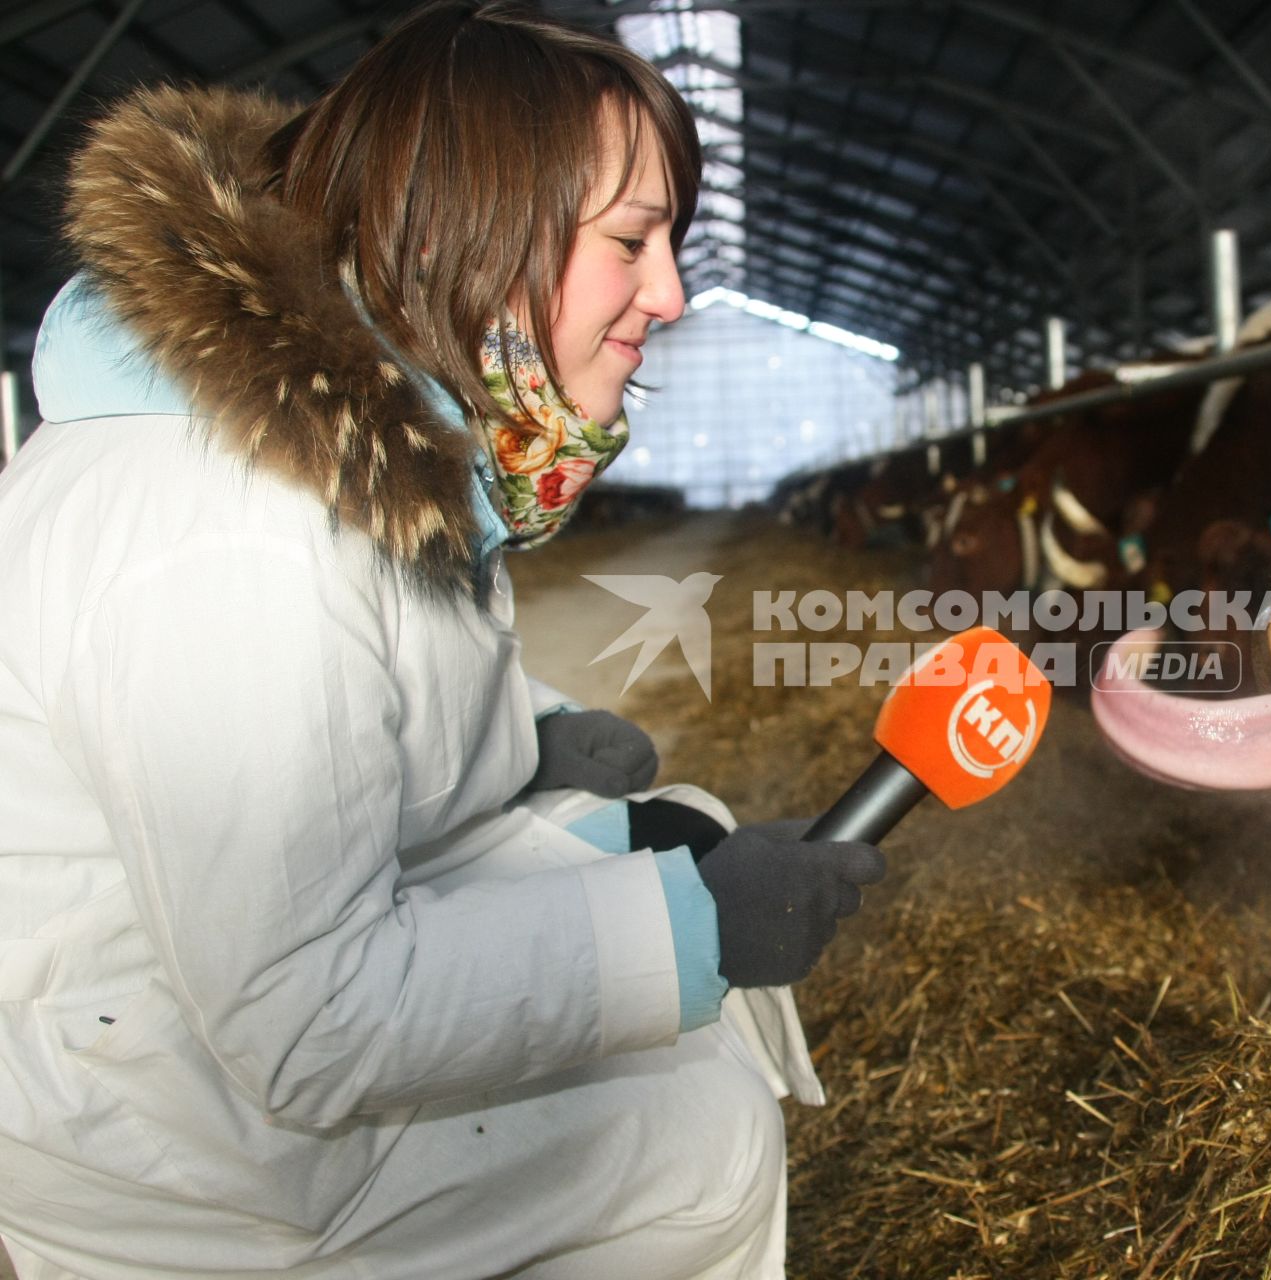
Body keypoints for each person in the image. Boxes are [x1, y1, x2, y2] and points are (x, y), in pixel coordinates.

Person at [0, 3, 886, 1276]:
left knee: (672, 852)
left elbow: (343, 708)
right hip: (143, 1107)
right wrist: (686, 926)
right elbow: (308, 1019)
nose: (674, 295)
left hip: (170, 1005)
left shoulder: (346, 439)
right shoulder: (235, 531)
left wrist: (532, 751)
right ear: (477, 227)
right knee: (695, 1131)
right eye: (633, 240)